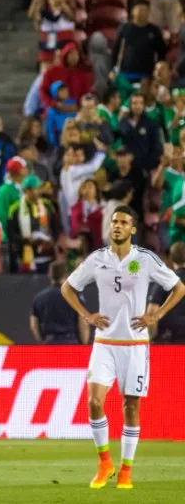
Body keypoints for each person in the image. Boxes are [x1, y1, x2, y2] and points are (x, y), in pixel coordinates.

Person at [61, 206, 185, 490]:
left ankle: (126, 470)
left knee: (131, 405)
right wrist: (87, 315)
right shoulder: (97, 259)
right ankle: (105, 462)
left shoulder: (145, 259)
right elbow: (67, 287)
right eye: (114, 221)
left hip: (135, 344)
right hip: (104, 341)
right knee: (94, 402)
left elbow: (179, 287)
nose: (117, 226)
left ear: (133, 230)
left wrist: (157, 314)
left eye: (123, 222)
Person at [7, 174, 60, 274]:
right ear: (27, 190)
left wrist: (52, 240)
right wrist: (27, 241)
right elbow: (11, 234)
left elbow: (56, 227)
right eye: (37, 188)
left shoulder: (47, 205)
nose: (40, 191)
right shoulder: (15, 208)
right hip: (25, 256)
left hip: (47, 254)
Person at [30, 260, 88, 345]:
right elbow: (83, 322)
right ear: (67, 275)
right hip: (71, 344)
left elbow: (34, 325)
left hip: (48, 343)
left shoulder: (39, 298)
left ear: (49, 274)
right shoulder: (75, 297)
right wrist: (84, 343)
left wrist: (42, 341)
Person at [112, 0, 167, 83]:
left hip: (146, 75)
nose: (142, 12)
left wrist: (158, 73)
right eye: (140, 10)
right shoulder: (125, 28)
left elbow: (161, 53)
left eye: (145, 10)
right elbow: (115, 50)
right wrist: (112, 69)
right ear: (133, 11)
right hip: (126, 74)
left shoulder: (154, 31)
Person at [147, 242, 185, 343]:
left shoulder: (165, 280)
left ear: (171, 259)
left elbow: (152, 312)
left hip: (170, 344)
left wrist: (151, 339)